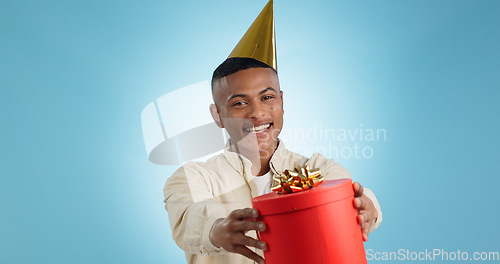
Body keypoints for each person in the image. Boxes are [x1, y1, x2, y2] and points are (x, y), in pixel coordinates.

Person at [163, 57, 382, 264]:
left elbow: (349, 193)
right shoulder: (193, 177)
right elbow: (189, 217)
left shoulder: (315, 168)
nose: (257, 112)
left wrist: (368, 207)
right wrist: (217, 228)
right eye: (239, 103)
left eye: (267, 98)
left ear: (281, 101)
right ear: (218, 115)